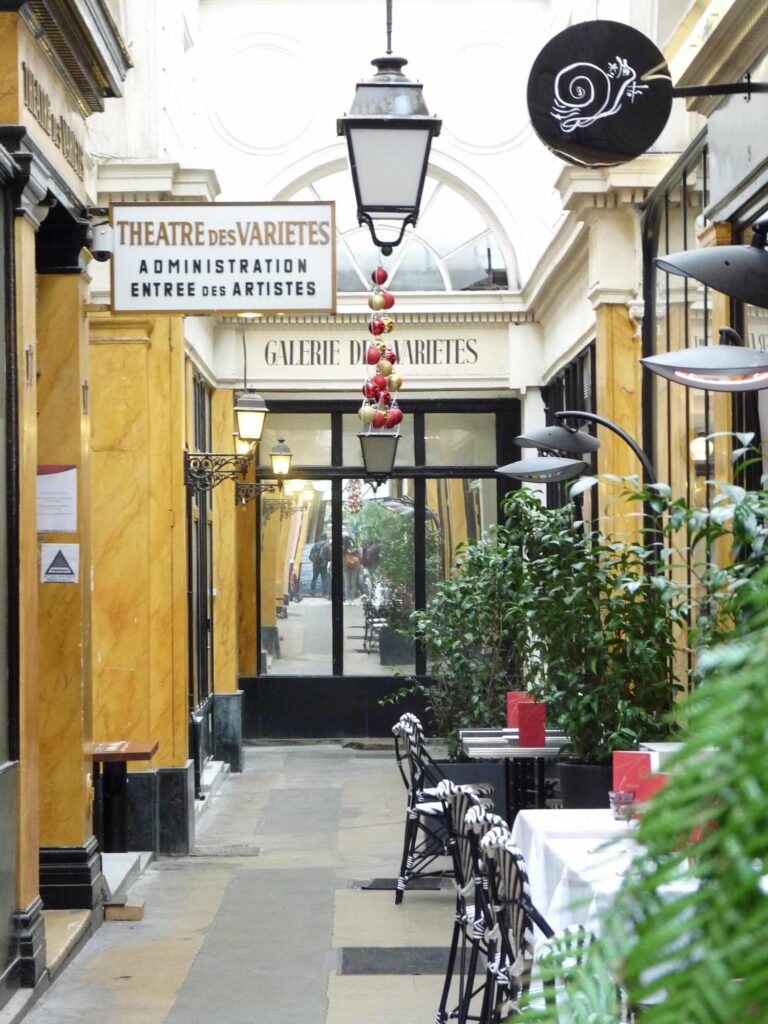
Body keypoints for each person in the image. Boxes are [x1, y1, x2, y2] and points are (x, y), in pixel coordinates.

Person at [342, 534, 362, 603]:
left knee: (347, 583)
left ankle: (348, 599)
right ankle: (352, 599)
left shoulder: (343, 548)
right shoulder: (355, 547)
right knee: (353, 583)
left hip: (345, 567)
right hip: (355, 566)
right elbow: (359, 556)